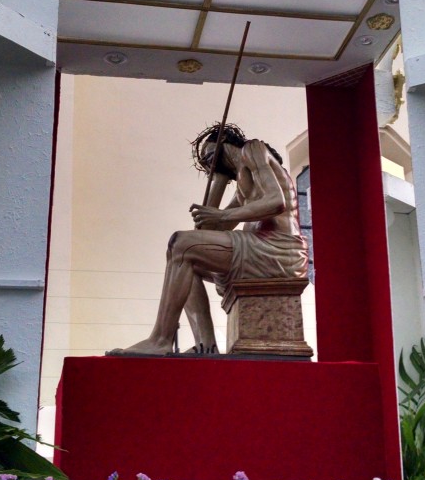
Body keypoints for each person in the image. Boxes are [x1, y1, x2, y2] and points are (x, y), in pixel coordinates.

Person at [108, 123, 308, 355]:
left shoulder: (253, 149)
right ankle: (206, 346)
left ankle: (161, 339)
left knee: (182, 244)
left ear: (224, 142)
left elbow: (276, 202)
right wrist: (220, 181)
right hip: (260, 250)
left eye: (210, 155)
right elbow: (208, 229)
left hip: (278, 249)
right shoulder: (242, 190)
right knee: (184, 257)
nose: (207, 162)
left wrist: (223, 214)